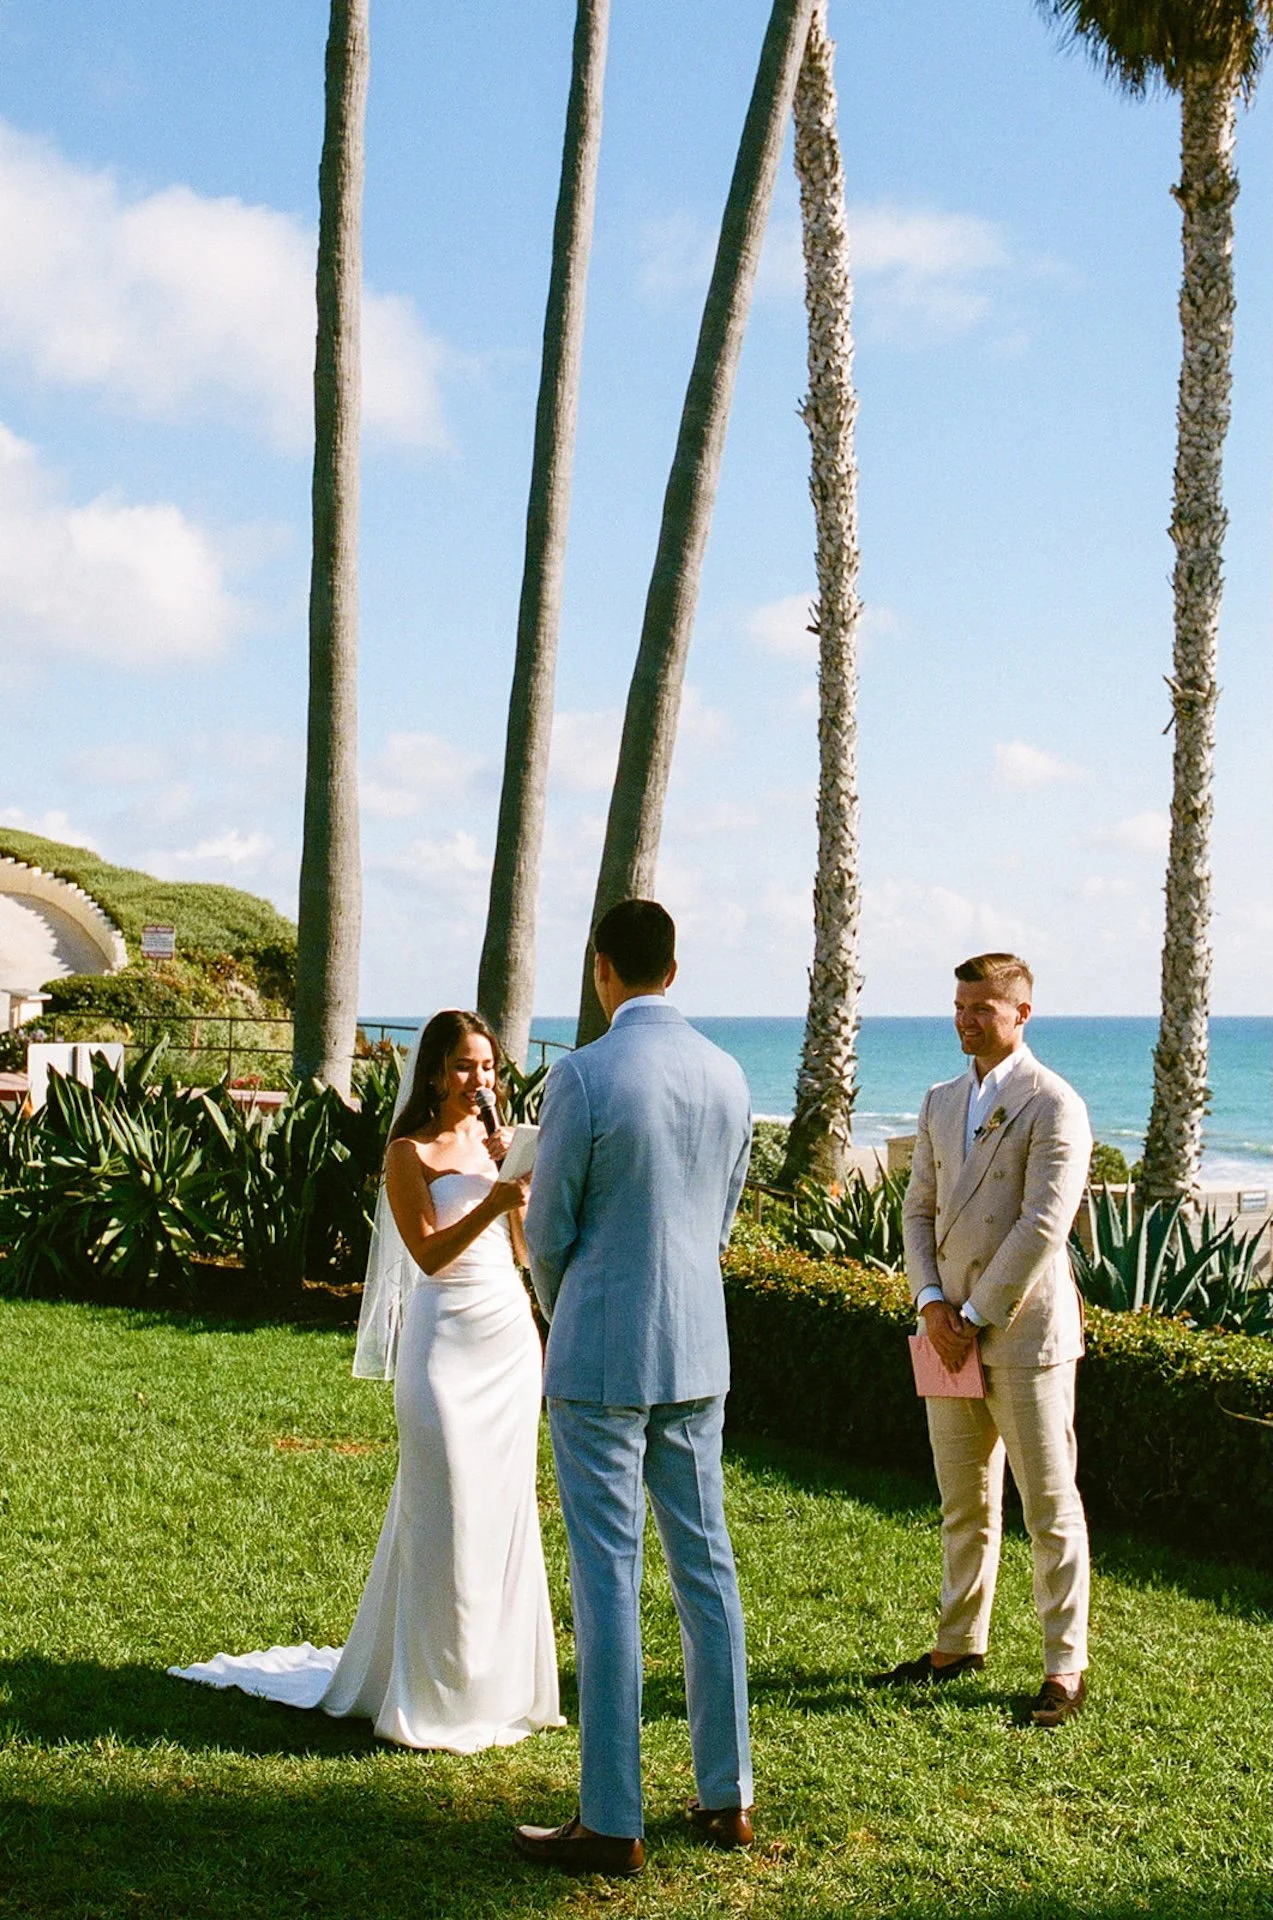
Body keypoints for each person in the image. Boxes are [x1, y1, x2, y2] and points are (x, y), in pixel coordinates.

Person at [170, 1010, 562, 1753]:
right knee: (444, 1508)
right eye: (465, 1066)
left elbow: (520, 1250)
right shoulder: (408, 1153)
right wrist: (492, 1200)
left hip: (506, 1340)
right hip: (443, 1343)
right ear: (435, 1073)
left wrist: (522, 1186)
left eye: (488, 1067)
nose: (480, 1081)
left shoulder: (501, 1145)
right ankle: (426, 1689)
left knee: (500, 1513)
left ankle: (497, 1687)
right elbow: (429, 1256)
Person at [513, 899, 754, 1879]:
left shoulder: (582, 1073)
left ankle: (611, 1819)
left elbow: (546, 1229)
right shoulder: (729, 1075)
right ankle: (727, 1794)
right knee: (707, 1569)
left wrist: (559, 1305)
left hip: (602, 1351)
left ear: (602, 968)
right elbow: (721, 1219)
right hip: (697, 1349)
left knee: (608, 1575)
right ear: (675, 969)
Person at [879, 952, 1092, 1728]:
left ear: (1021, 1014)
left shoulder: (1054, 1104)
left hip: (1023, 1336)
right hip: (942, 1331)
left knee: (1047, 1503)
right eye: (959, 1006)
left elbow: (1042, 1225)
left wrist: (973, 1318)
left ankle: (1063, 1667)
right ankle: (956, 1642)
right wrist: (932, 1302)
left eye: (983, 1008)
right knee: (961, 1501)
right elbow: (917, 1210)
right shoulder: (940, 1100)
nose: (966, 1020)